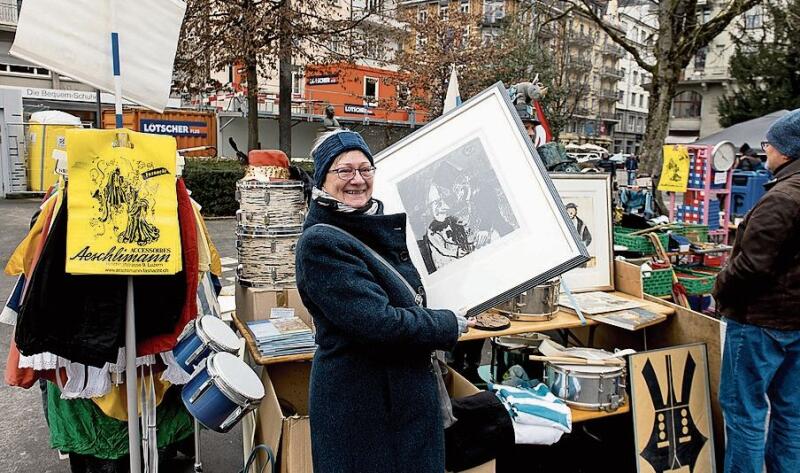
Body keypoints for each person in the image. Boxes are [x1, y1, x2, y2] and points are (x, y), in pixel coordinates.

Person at [295, 129, 473, 473]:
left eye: (365, 169)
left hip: (395, 400)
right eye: (344, 171)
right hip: (364, 407)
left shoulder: (365, 225)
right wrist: (447, 323)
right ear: (322, 179)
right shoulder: (321, 243)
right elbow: (379, 322)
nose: (357, 180)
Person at [714, 108, 800, 473]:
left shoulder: (783, 198)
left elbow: (751, 266)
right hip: (793, 321)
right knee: (790, 414)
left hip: (760, 321)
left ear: (787, 150)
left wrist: (720, 287)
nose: (765, 151)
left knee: (745, 413)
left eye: (769, 144)